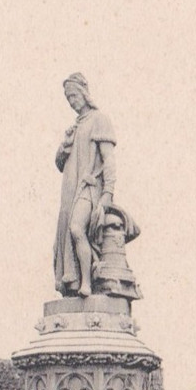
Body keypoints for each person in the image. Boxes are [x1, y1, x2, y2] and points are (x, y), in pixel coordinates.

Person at [53, 73, 117, 297]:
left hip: (89, 188)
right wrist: (64, 146)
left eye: (74, 95)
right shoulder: (73, 128)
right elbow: (59, 164)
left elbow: (108, 159)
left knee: (76, 228)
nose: (72, 101)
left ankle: (87, 283)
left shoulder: (99, 119)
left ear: (84, 92)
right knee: (68, 233)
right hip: (69, 191)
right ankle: (73, 281)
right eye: (68, 98)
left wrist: (108, 193)